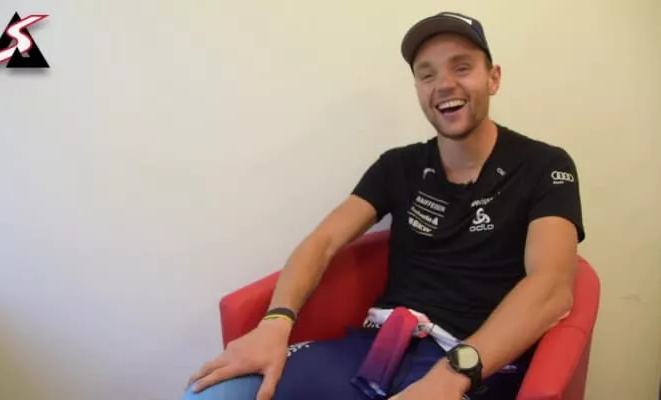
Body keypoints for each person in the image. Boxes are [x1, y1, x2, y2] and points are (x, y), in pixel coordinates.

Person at [184, 10, 584, 400]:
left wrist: (453, 375)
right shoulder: (398, 165)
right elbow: (323, 240)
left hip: (471, 363)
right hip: (376, 349)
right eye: (427, 74)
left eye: (462, 68)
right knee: (211, 393)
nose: (444, 84)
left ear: (493, 78)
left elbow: (551, 287)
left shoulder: (545, 165)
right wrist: (275, 322)